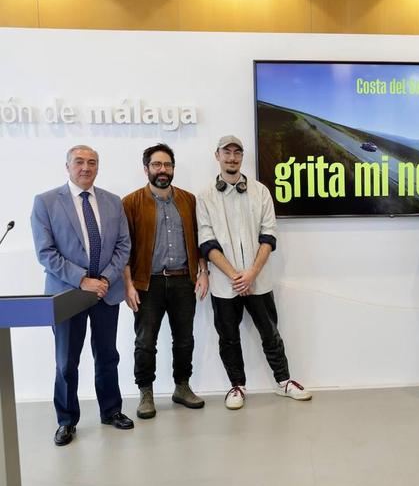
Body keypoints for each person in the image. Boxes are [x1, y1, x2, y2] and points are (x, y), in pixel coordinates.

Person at [196, 135, 311, 410]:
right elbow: (206, 241)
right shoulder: (204, 197)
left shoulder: (260, 192)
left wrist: (251, 274)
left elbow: (269, 235)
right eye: (227, 152)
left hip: (258, 281)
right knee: (228, 336)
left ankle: (284, 382)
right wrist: (236, 275)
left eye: (237, 152)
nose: (232, 158)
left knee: (270, 332)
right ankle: (236, 386)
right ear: (217, 156)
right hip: (225, 284)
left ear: (242, 157)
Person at [30, 145, 134, 446]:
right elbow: (45, 253)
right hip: (66, 295)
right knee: (66, 362)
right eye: (79, 162)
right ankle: (66, 420)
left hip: (105, 291)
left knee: (107, 356)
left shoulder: (113, 202)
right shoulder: (46, 202)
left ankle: (111, 411)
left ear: (98, 168)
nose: (86, 167)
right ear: (67, 166)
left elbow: (123, 246)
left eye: (92, 162)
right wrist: (82, 280)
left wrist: (104, 279)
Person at [122, 143, 209, 419]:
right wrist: (127, 284)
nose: (163, 170)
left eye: (167, 165)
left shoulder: (188, 200)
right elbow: (123, 248)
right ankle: (145, 393)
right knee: (145, 342)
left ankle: (182, 387)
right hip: (148, 284)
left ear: (173, 168)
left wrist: (203, 272)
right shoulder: (131, 202)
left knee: (184, 340)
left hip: (184, 280)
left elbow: (200, 239)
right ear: (146, 168)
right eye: (157, 165)